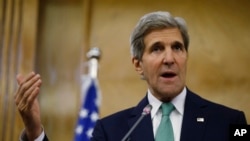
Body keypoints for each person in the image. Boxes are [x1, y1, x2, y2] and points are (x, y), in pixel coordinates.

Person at [15, 11, 247, 141]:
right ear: (138, 64)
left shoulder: (232, 122)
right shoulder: (110, 131)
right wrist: (35, 133)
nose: (170, 58)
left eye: (177, 48)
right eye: (157, 49)